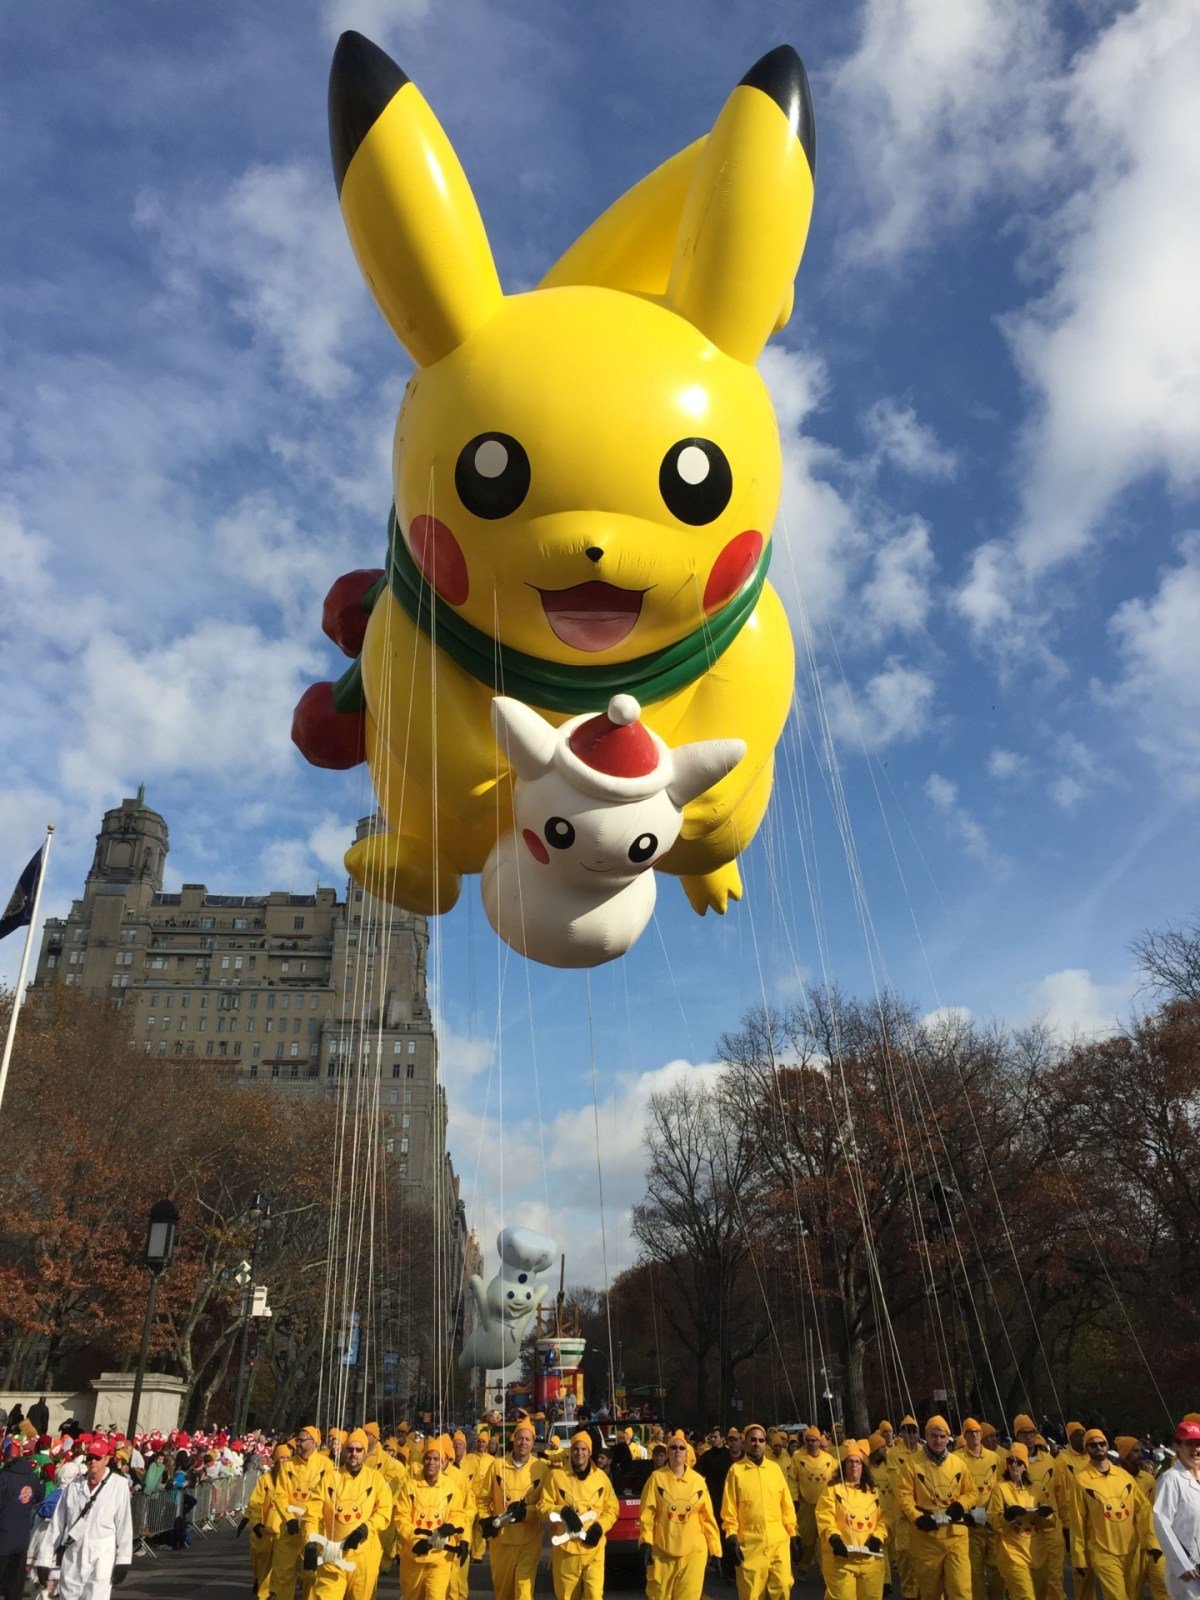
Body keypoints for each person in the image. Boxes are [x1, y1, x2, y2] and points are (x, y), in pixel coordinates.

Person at [303, 1427, 393, 1600]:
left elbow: (384, 1511)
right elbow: (312, 1513)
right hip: (332, 1554)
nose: (354, 1454)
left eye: (359, 1450)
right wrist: (310, 1542)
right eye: (350, 1449)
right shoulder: (330, 1478)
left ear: (365, 1452)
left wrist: (364, 1530)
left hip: (364, 1557)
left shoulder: (375, 1479)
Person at [1069, 1428, 1158, 1600]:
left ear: (1107, 1446)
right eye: (1092, 1444)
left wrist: (1151, 1542)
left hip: (1131, 1549)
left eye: (1101, 1443)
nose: (1098, 1447)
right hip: (1102, 1550)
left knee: (1134, 1595)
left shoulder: (1123, 1476)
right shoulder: (1081, 1480)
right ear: (1087, 1448)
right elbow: (1077, 1520)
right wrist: (1079, 1557)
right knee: (1117, 1597)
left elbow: (1143, 1509)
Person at [895, 1415, 974, 1600]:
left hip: (956, 1535)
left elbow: (971, 1492)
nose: (938, 1441)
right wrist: (917, 1517)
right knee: (931, 1592)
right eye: (933, 1436)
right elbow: (903, 1495)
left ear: (948, 1438)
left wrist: (961, 1505)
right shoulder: (912, 1464)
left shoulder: (959, 1464)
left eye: (942, 1436)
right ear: (926, 1436)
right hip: (927, 1538)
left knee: (961, 1589)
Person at [43, 1438, 132, 1600]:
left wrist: (123, 1559)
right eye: (90, 1457)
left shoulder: (119, 1485)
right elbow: (57, 1523)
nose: (93, 1462)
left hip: (102, 1554)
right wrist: (44, 1559)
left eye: (97, 1458)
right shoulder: (73, 1486)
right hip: (74, 1553)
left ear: (107, 1459)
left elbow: (124, 1524)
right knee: (68, 1595)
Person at [639, 1430, 722, 1600]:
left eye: (682, 1448)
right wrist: (646, 1542)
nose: (678, 1451)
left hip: (693, 1553)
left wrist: (715, 1549)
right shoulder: (656, 1479)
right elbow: (647, 1514)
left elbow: (707, 1518)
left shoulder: (698, 1481)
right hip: (663, 1552)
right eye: (673, 1448)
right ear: (668, 1453)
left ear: (687, 1453)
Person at [720, 1421, 797, 1600]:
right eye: (753, 1440)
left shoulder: (774, 1469)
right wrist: (731, 1536)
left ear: (765, 1443)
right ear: (746, 1442)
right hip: (750, 1543)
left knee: (783, 1587)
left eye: (761, 1440)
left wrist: (793, 1533)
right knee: (751, 1593)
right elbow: (729, 1508)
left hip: (778, 1541)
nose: (757, 1443)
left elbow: (786, 1505)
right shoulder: (736, 1471)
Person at [540, 1431, 618, 1600]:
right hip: (566, 1551)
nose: (579, 1453)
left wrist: (599, 1527)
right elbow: (543, 1507)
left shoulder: (601, 1478)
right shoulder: (556, 1476)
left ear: (590, 1452)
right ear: (570, 1451)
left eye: (584, 1449)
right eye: (576, 1449)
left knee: (595, 1596)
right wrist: (563, 1512)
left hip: (593, 1549)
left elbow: (612, 1509)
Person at [394, 1436, 469, 1600]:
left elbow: (458, 1513)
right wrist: (416, 1540)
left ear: (442, 1461)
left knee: (436, 1596)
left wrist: (451, 1526)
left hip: (440, 1556)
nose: (432, 1462)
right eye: (428, 1458)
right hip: (413, 1557)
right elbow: (401, 1517)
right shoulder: (410, 1486)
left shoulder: (450, 1487)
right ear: (423, 1460)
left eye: (436, 1459)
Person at [482, 1417, 548, 1600]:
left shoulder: (541, 1469)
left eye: (527, 1439)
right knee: (503, 1593)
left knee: (523, 1593)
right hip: (501, 1542)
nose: (523, 1443)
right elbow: (482, 1499)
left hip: (529, 1542)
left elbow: (546, 1505)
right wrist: (486, 1518)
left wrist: (527, 1512)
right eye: (520, 1438)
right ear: (513, 1439)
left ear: (533, 1442)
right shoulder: (497, 1466)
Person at [815, 1441, 886, 1600]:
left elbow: (884, 1519)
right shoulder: (833, 1490)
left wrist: (878, 1537)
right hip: (842, 1561)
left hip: (870, 1561)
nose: (854, 1466)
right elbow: (825, 1517)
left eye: (857, 1462)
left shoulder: (874, 1492)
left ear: (863, 1467)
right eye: (850, 1462)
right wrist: (834, 1539)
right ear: (843, 1466)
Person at [270, 1424, 331, 1599]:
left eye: (302, 1440)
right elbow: (280, 1494)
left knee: (312, 1574)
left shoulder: (326, 1466)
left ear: (314, 1443)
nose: (298, 1444)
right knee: (284, 1572)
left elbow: (327, 1497)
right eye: (297, 1440)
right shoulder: (288, 1466)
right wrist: (289, 1518)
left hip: (313, 1529)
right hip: (290, 1529)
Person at [987, 1443, 1052, 1600]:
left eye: (1018, 1462)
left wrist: (1045, 1515)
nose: (1013, 1465)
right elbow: (994, 1522)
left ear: (1026, 1466)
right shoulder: (1000, 1489)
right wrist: (1008, 1517)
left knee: (1040, 1595)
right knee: (1025, 1597)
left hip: (1037, 1552)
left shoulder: (1037, 1489)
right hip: (1012, 1553)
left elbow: (1050, 1522)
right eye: (1010, 1461)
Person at [1153, 1418, 1200, 1600]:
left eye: (1198, 1444)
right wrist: (1181, 1564)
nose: (1195, 1449)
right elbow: (1161, 1522)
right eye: (1189, 1444)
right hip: (1188, 1570)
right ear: (1177, 1446)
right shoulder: (1171, 1479)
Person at [959, 1417, 1002, 1600]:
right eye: (970, 1432)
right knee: (974, 1570)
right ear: (964, 1435)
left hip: (992, 1523)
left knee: (997, 1567)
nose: (975, 1435)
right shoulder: (957, 1459)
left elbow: (1002, 1487)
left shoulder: (995, 1458)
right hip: (971, 1526)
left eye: (977, 1431)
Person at [0, 1441, 45, 1600]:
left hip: (3, 1539)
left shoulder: (4, 1478)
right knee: (14, 1589)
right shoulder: (31, 1476)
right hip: (21, 1540)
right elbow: (39, 1495)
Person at [244, 1443, 288, 1600]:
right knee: (262, 1564)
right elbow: (255, 1503)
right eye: (281, 1458)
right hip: (265, 1530)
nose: (284, 1461)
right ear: (276, 1460)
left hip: (284, 1532)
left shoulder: (292, 1481)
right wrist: (255, 1523)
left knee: (280, 1566)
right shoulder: (265, 1480)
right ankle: (261, 1587)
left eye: (287, 1458)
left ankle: (271, 1593)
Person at [793, 1427, 838, 1577]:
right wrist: (794, 1499)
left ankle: (827, 1570)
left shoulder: (829, 1459)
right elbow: (792, 1479)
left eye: (814, 1440)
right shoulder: (798, 1457)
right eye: (808, 1440)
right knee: (807, 1539)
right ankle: (803, 1565)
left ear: (819, 1441)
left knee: (825, 1539)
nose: (811, 1443)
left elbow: (837, 1479)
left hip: (825, 1506)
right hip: (806, 1505)